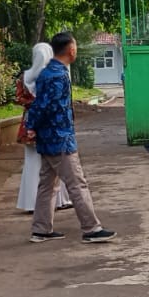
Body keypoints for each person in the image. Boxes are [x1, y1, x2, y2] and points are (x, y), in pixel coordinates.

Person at [27, 31, 116, 244]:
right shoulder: (59, 75)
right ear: (71, 50)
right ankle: (91, 229)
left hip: (47, 139)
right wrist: (34, 126)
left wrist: (32, 126)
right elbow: (48, 107)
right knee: (76, 184)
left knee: (47, 184)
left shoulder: (46, 73)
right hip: (60, 138)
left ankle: (41, 229)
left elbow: (39, 105)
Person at [15, 43, 71, 214]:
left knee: (32, 163)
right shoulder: (51, 76)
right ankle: (59, 200)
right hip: (50, 124)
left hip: (29, 123)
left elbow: (18, 98)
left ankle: (31, 202)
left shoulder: (24, 77)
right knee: (55, 162)